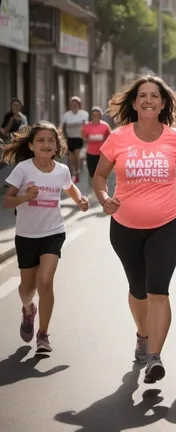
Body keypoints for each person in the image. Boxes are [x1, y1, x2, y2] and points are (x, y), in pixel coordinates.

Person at [93, 75, 176, 384]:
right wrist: (103, 198)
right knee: (137, 289)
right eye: (143, 95)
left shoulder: (175, 138)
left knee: (157, 290)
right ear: (135, 102)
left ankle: (155, 356)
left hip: (168, 224)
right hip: (125, 227)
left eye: (155, 95)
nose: (148, 100)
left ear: (164, 103)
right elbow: (100, 176)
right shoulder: (118, 137)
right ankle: (142, 333)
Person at [2, 121, 89, 353]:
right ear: (31, 145)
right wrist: (24, 197)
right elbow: (6, 201)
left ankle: (43, 334)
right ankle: (28, 308)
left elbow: (70, 187)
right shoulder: (23, 169)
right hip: (26, 235)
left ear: (57, 145)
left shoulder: (61, 170)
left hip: (53, 232)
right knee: (27, 288)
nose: (46, 144)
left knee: (46, 281)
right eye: (40, 140)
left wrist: (80, 200)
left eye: (51, 140)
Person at [60, 97, 89, 183]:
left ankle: (77, 173)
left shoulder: (84, 114)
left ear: (79, 105)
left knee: (77, 155)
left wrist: (87, 135)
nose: (74, 106)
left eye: (76, 104)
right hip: (70, 138)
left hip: (79, 138)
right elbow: (61, 126)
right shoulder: (66, 115)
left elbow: (86, 125)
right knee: (71, 158)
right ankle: (74, 172)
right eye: (72, 104)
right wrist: (58, 133)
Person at [81, 106, 111, 183]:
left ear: (101, 116)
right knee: (91, 172)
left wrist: (105, 141)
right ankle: (91, 188)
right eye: (94, 116)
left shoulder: (105, 125)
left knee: (102, 172)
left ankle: (102, 188)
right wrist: (89, 139)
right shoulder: (87, 126)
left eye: (98, 115)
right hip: (91, 152)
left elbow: (110, 137)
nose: (96, 117)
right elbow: (83, 136)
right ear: (91, 116)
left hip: (102, 153)